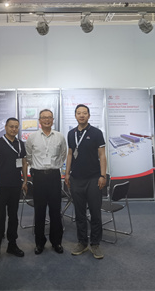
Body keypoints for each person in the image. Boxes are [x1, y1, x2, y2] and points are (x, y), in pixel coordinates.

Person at [65, 104, 107, 259]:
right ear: (75, 115)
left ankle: (95, 244)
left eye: (84, 113)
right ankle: (82, 242)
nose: (81, 115)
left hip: (93, 178)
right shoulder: (71, 133)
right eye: (78, 113)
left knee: (95, 213)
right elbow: (70, 154)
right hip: (76, 179)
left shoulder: (96, 133)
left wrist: (103, 175)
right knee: (79, 213)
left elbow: (102, 155)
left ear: (89, 115)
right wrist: (67, 173)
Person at [25, 109, 67, 255]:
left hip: (54, 176)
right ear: (39, 120)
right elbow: (29, 156)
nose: (47, 120)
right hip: (39, 177)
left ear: (53, 120)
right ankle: (39, 243)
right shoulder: (32, 137)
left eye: (49, 117)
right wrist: (38, 167)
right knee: (39, 211)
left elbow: (63, 154)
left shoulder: (59, 136)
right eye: (44, 117)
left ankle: (57, 242)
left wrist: (54, 165)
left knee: (55, 210)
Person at [0, 117, 28, 261]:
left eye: (16, 127)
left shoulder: (20, 144)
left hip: (15, 185)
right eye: (11, 126)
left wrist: (25, 180)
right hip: (0, 187)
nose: (14, 129)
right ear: (5, 127)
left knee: (13, 217)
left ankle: (12, 245)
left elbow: (24, 163)